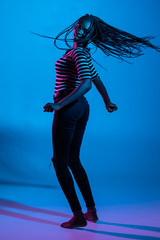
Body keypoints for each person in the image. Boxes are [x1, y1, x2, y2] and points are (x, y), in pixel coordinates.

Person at [42, 14, 160, 228]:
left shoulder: (78, 52)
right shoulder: (82, 53)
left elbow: (86, 83)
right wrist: (107, 101)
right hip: (81, 107)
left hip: (69, 105)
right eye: (79, 25)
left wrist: (59, 105)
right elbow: (96, 79)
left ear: (91, 34)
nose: (80, 30)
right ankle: (91, 212)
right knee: (73, 160)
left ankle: (78, 216)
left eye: (85, 29)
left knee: (60, 162)